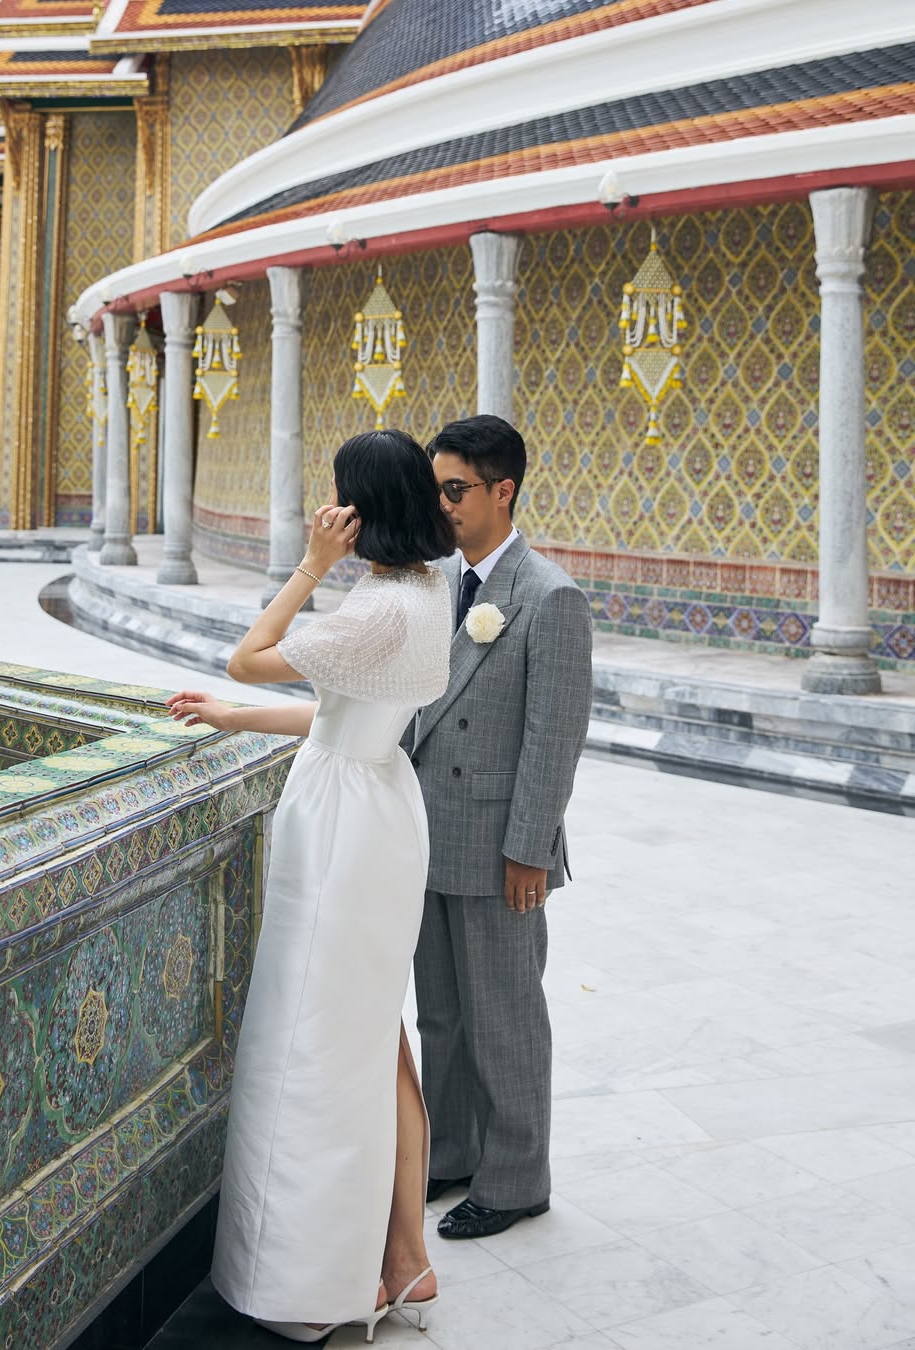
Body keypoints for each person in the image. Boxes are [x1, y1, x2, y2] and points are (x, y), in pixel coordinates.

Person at [166, 429, 456, 1343]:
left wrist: (309, 566)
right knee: (373, 1038)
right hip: (381, 799)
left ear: (360, 509)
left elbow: (248, 654)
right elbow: (345, 710)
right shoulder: (427, 589)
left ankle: (309, 1279)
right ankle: (404, 1259)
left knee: (317, 1039)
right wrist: (237, 719)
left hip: (341, 826)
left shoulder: (375, 608)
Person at [404, 414, 593, 1241]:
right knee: (440, 1015)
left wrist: (528, 853)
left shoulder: (549, 597)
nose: (443, 504)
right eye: (437, 489)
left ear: (502, 490)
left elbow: (554, 740)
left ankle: (517, 1179)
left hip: (498, 848)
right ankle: (452, 1152)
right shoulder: (436, 581)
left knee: (504, 1017)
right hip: (428, 833)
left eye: (456, 489)